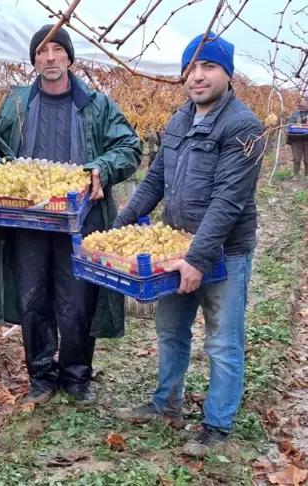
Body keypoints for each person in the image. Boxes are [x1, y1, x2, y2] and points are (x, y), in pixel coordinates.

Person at [0, 25, 141, 405]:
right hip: (26, 220)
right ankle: (42, 376)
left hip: (80, 220)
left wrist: (102, 168)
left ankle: (77, 377)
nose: (49, 58)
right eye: (41, 52)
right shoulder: (16, 105)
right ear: (34, 61)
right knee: (33, 297)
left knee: (77, 299)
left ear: (69, 57)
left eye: (56, 50)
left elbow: (130, 147)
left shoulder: (96, 105)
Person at [112, 32, 264, 457]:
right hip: (174, 249)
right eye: (191, 68)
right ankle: (166, 404)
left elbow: (227, 200)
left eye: (208, 67)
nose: (197, 76)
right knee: (170, 331)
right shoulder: (179, 119)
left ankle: (216, 425)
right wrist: (119, 226)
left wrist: (197, 257)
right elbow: (155, 181)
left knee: (222, 341)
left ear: (227, 74)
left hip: (222, 254)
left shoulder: (245, 127)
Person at [287, 96, 308, 179]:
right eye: (300, 100)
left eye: (304, 100)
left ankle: (307, 175)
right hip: (296, 138)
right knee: (296, 158)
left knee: (307, 158)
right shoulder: (294, 113)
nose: (302, 102)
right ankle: (296, 175)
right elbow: (289, 123)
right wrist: (296, 125)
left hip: (307, 138)